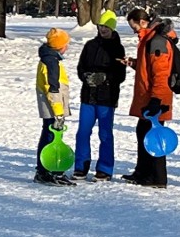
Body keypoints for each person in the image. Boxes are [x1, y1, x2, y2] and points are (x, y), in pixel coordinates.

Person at [121, 8, 176, 188]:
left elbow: (161, 74)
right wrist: (134, 63)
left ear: (143, 23)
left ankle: (157, 178)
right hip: (149, 96)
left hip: (155, 98)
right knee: (143, 132)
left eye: (134, 27)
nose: (134, 31)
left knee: (154, 136)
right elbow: (149, 69)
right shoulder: (150, 39)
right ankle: (143, 172)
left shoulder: (157, 41)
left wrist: (156, 100)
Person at [72, 10, 126, 181]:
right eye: (101, 26)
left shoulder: (118, 48)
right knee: (82, 132)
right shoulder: (90, 45)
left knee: (105, 134)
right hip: (88, 96)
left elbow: (120, 76)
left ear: (112, 28)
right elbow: (80, 68)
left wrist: (105, 78)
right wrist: (86, 77)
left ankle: (105, 168)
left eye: (106, 27)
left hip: (107, 98)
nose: (103, 29)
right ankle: (81, 166)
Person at [34, 28, 75, 186]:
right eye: (66, 44)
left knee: (49, 137)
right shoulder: (51, 63)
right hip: (52, 109)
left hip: (53, 108)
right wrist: (58, 113)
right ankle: (46, 171)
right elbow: (53, 90)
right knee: (51, 139)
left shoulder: (51, 59)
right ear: (60, 46)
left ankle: (48, 171)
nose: (68, 47)